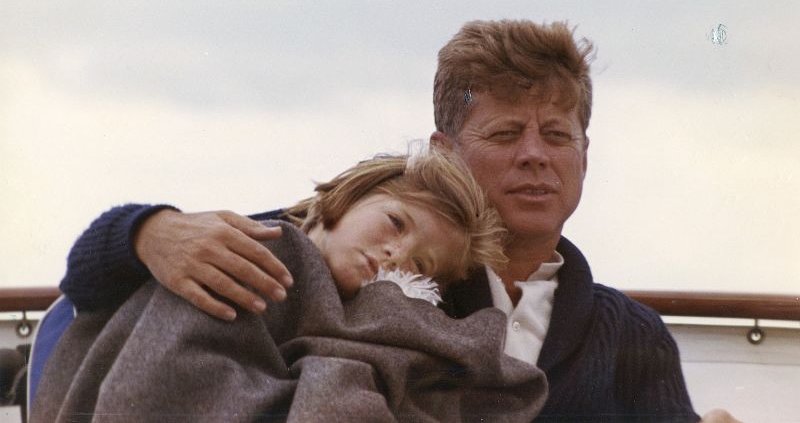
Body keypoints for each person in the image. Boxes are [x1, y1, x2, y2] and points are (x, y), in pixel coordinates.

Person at [58, 20, 740, 421]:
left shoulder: (632, 338)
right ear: (444, 154)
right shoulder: (352, 253)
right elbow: (91, 280)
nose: (535, 156)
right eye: (505, 134)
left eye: (558, 135)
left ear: (585, 156)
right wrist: (149, 230)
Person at [33, 149, 547, 422]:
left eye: (422, 265)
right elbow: (87, 284)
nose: (398, 255)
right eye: (395, 223)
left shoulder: (387, 316)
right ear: (345, 197)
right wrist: (144, 229)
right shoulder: (250, 244)